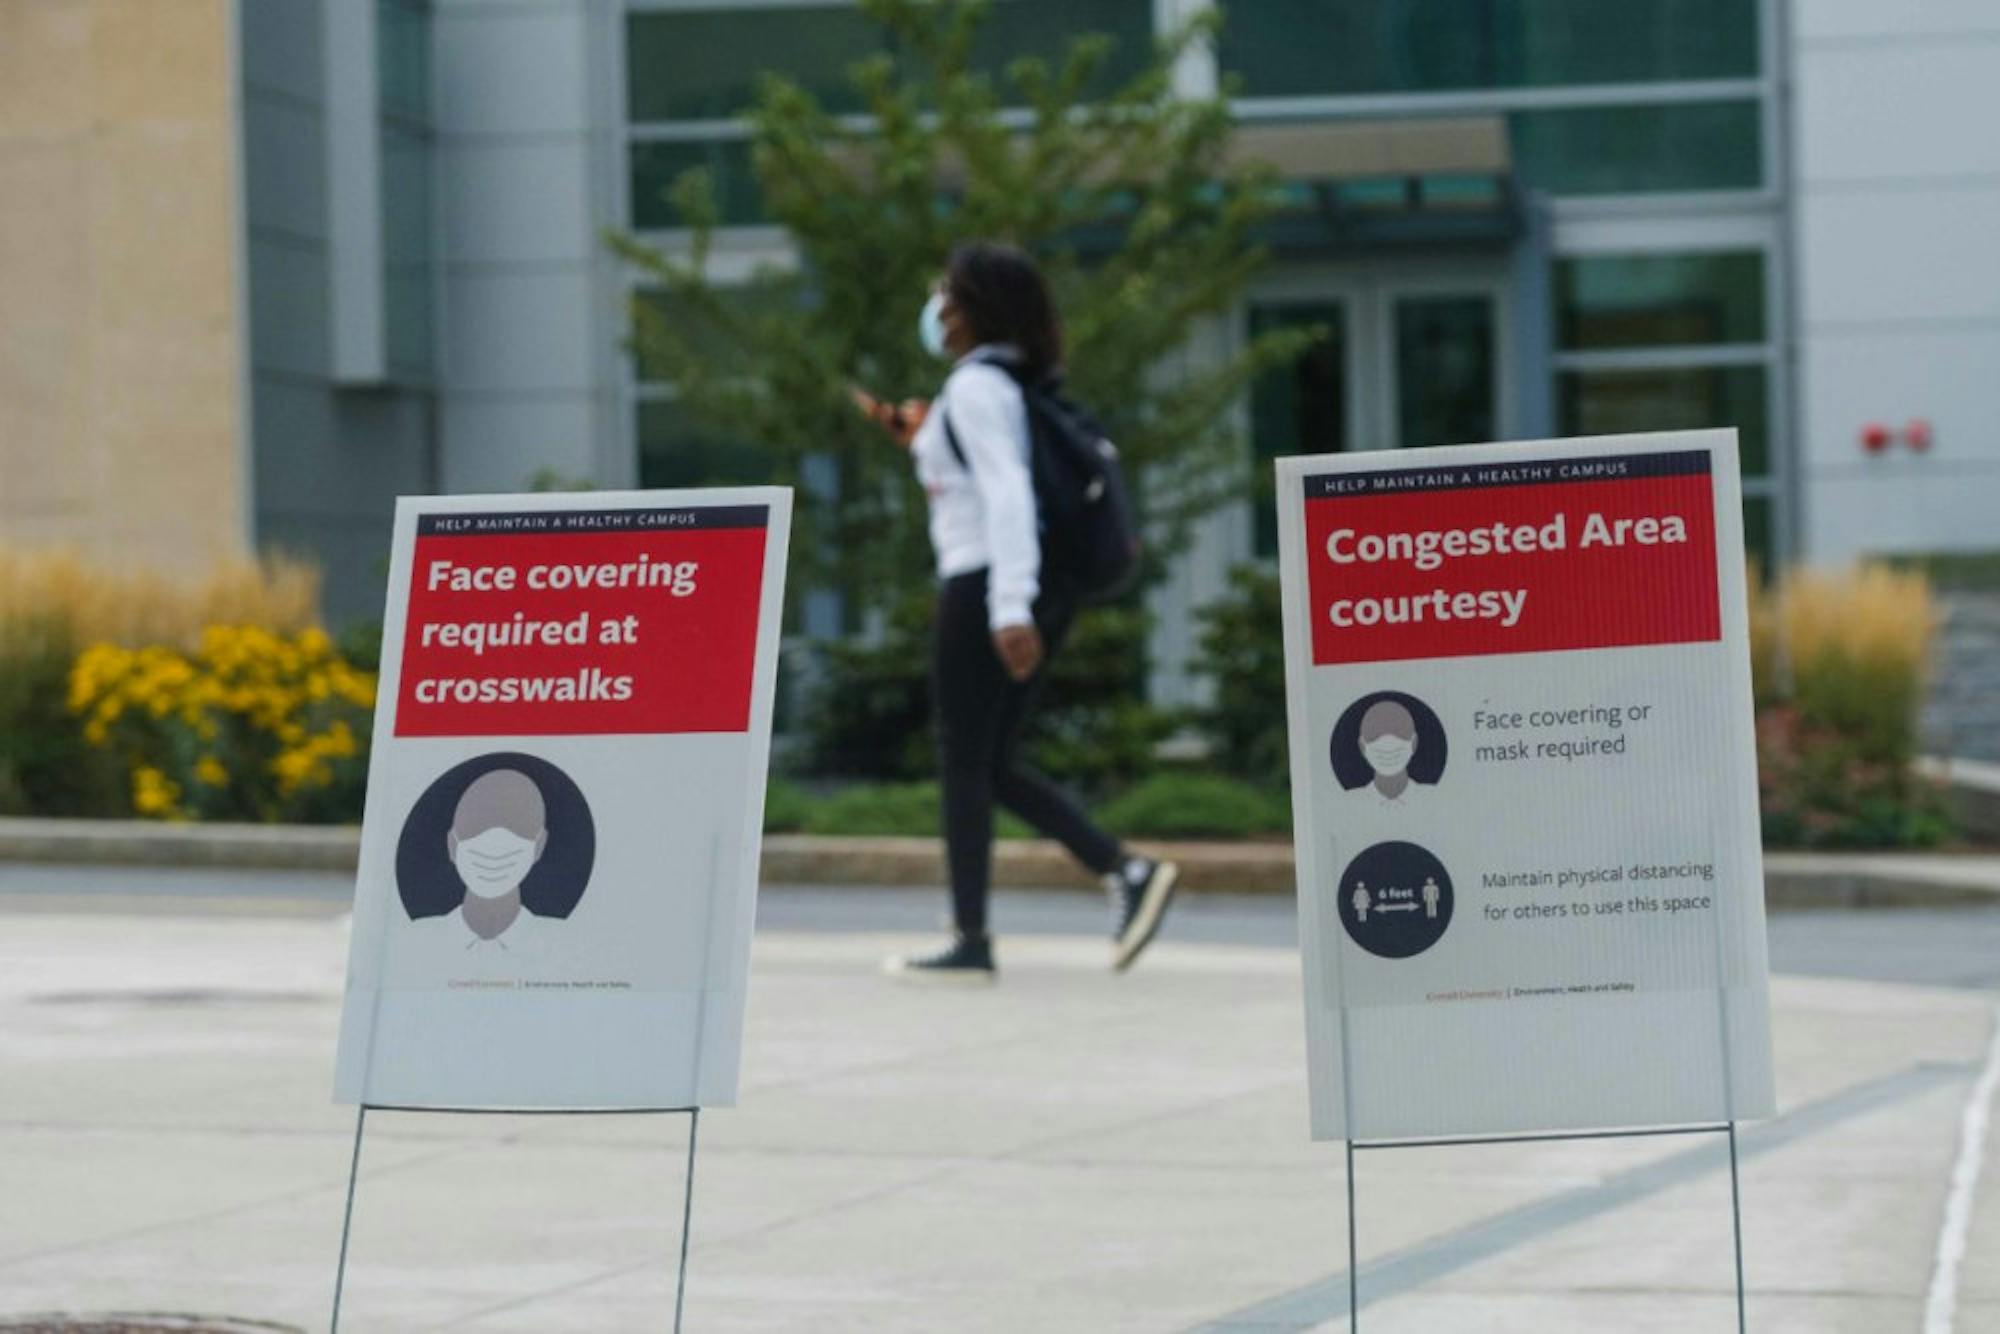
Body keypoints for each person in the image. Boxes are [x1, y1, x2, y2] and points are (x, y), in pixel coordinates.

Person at [856, 241, 1178, 983]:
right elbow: (981, 483)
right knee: (988, 762)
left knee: (964, 760)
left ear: (971, 311)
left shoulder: (976, 388)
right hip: (1022, 585)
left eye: (946, 296)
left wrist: (1007, 608)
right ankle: (1122, 872)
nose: (935, 309)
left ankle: (974, 938)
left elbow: (1007, 495)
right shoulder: (1004, 382)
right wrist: (918, 440)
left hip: (986, 586)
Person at [1357, 699, 1427, 804]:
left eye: (1398, 731)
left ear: (1414, 743)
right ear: (1362, 747)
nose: (1387, 741)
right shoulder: (1347, 802)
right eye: (1375, 733)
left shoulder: (1435, 798)